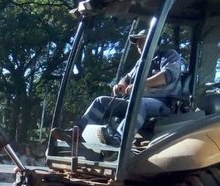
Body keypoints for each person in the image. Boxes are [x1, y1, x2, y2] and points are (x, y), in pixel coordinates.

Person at [53, 29, 182, 146]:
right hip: (136, 103)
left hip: (163, 104)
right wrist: (120, 85)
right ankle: (76, 133)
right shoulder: (141, 63)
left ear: (154, 41)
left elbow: (167, 76)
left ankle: (118, 139)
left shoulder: (169, 55)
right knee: (101, 101)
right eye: (137, 44)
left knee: (139, 103)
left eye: (142, 41)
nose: (139, 46)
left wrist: (139, 85)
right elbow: (127, 78)